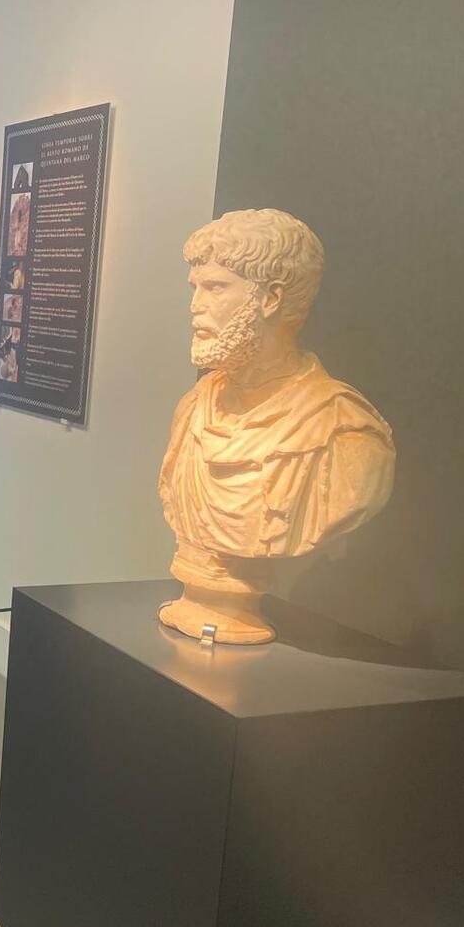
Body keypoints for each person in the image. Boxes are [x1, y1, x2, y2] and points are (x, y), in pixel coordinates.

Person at [158, 208, 395, 643]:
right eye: (195, 288)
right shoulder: (194, 408)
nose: (195, 307)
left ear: (271, 298)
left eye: (215, 287)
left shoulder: (344, 435)